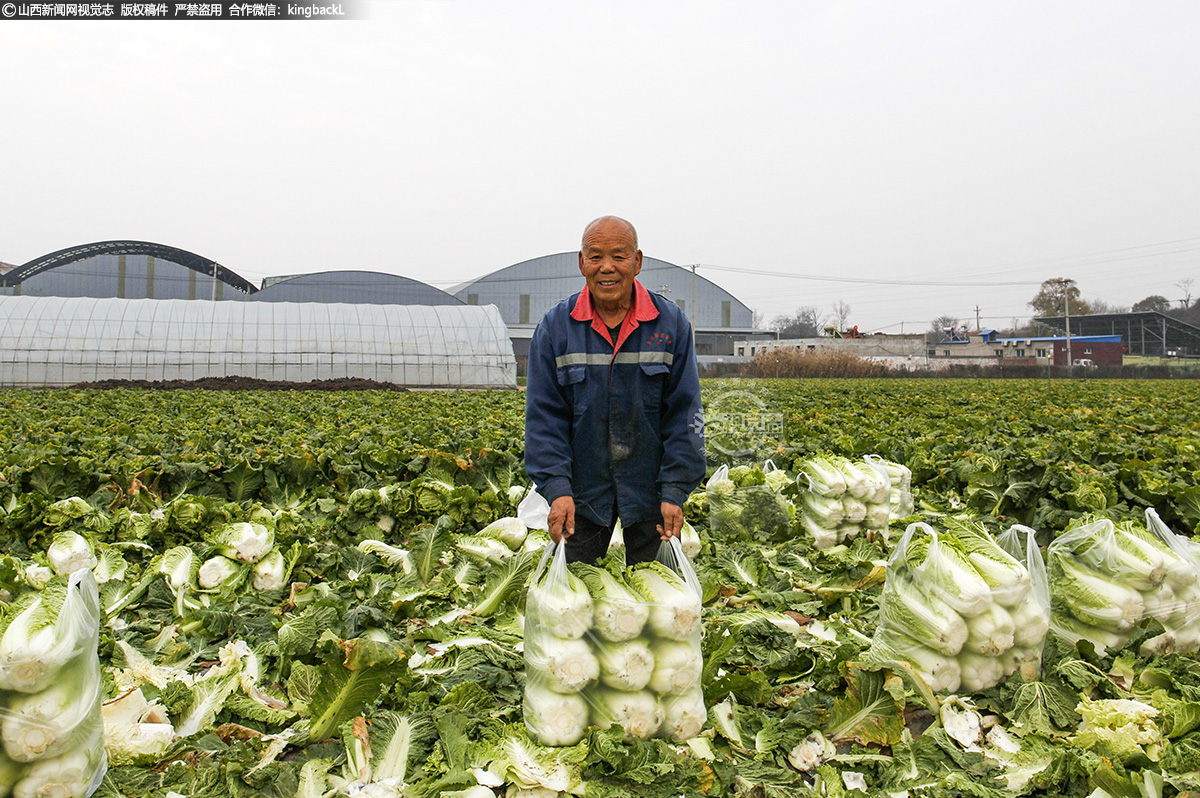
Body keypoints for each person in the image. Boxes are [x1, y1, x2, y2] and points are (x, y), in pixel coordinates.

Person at [524, 216, 706, 564]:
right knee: (572, 601)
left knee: (661, 604)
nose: (607, 267)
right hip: (581, 496)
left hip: (651, 493)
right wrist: (557, 489)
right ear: (581, 263)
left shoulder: (670, 325)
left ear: (637, 262)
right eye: (595, 256)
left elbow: (685, 413)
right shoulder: (555, 328)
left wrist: (675, 489)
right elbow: (544, 418)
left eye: (619, 256)